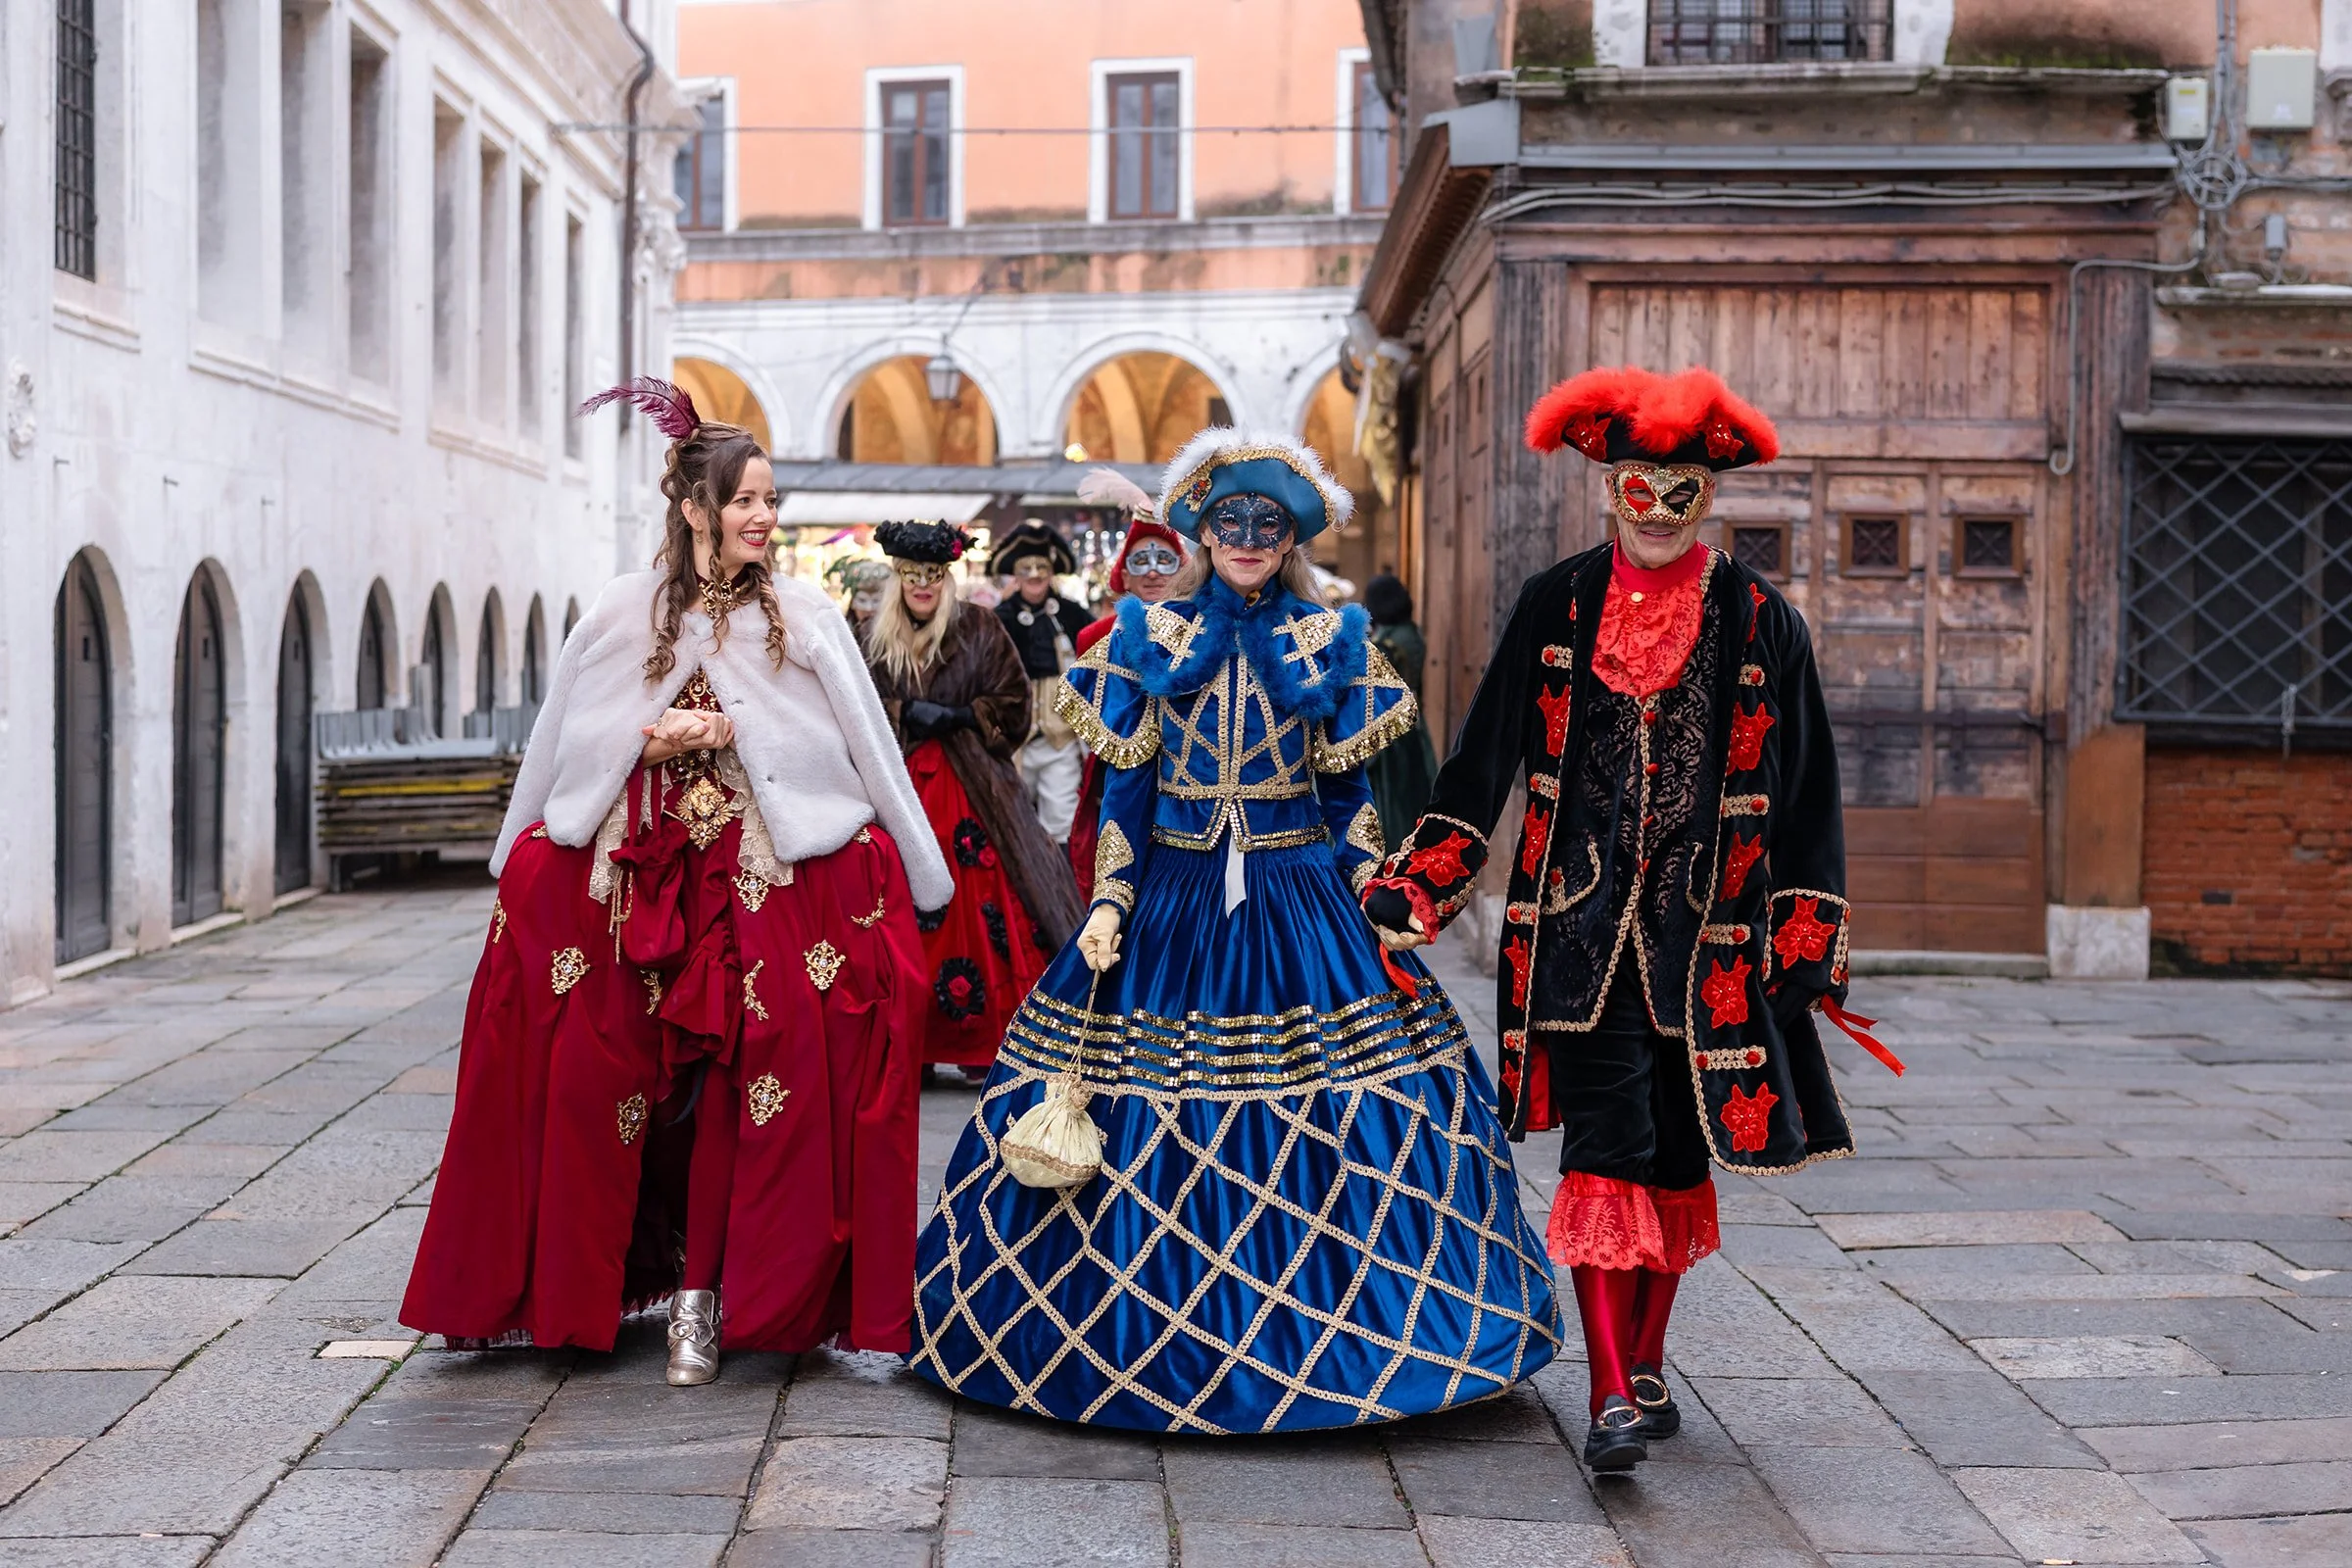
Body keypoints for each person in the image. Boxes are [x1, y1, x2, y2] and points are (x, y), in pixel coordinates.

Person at [906, 428, 1562, 1434]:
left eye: (1267, 524)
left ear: (1290, 535)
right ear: (1202, 530)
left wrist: (1367, 887)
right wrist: (1111, 903)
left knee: (1343, 1104)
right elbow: (1122, 796)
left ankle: (1339, 1334)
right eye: (1229, 521)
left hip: (1302, 894)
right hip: (1171, 895)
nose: (1248, 539)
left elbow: (1349, 798)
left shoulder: (1333, 642)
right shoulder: (1147, 638)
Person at [1363, 366, 1895, 1471]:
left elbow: (1807, 794)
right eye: (1639, 488)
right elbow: (1482, 761)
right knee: (1606, 1148)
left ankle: (1646, 1360)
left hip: (1710, 952)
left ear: (1710, 497)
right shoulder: (1554, 601)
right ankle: (1608, 1392)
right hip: (1579, 939)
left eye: (1681, 491)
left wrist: (1804, 939)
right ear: (1608, 487)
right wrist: (1422, 878)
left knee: (1674, 1155)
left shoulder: (1763, 622)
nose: (1657, 511)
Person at [401, 378, 953, 1387]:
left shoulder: (806, 615)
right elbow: (564, 738)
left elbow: (863, 750)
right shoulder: (623, 610)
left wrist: (916, 870)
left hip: (763, 883)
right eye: (746, 499)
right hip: (634, 881)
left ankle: (709, 1298)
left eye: (772, 500)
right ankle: (577, 1290)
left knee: (754, 1082)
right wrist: (627, 765)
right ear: (696, 508)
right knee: (597, 1081)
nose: (764, 517)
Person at [863, 521, 1086, 1080]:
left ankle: (981, 1040)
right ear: (897, 577)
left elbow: (1014, 705)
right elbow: (853, 712)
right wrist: (902, 714)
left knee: (983, 900)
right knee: (898, 904)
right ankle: (909, 1046)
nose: (922, 587)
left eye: (933, 576)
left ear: (947, 578)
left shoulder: (981, 628)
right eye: (912, 576)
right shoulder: (869, 634)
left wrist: (965, 716)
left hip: (975, 792)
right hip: (900, 789)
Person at [1064, 468, 1188, 901]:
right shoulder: (1095, 638)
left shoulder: (1204, 632)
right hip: (1115, 776)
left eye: (1164, 560)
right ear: (1125, 575)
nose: (1153, 572)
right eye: (1141, 560)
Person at [990, 520, 1091, 846]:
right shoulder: (998, 618)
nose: (1034, 575)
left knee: (1061, 823)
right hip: (1013, 741)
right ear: (1015, 574)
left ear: (1052, 571)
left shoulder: (1073, 615)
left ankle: (1060, 893)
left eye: (1041, 568)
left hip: (1059, 737)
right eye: (1026, 568)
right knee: (1010, 822)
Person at [1360, 573, 1440, 852]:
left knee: (1389, 806)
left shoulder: (1387, 643)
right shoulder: (1411, 634)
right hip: (1411, 727)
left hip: (1387, 731)